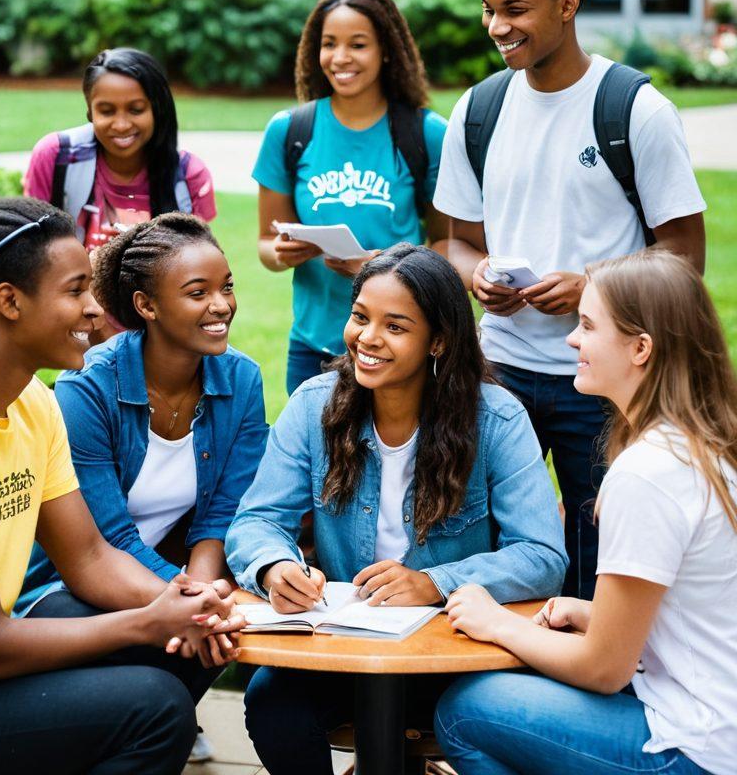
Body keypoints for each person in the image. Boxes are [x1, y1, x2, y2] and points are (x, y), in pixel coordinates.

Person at [0, 197, 242, 775]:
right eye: (75, 290)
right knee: (156, 709)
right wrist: (147, 619)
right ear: (9, 301)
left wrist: (193, 605)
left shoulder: (33, 402)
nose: (95, 310)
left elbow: (87, 558)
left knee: (186, 643)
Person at [433, 0, 706, 596]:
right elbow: (455, 240)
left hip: (604, 384)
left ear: (567, 4)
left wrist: (591, 286)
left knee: (596, 557)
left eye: (516, 9)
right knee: (489, 551)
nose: (498, 27)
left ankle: (586, 684)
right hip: (497, 375)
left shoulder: (634, 109)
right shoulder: (478, 109)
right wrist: (479, 275)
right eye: (490, 9)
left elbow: (683, 254)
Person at [226, 244, 566, 775]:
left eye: (396, 326)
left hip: (455, 655)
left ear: (439, 341)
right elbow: (257, 521)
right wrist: (276, 567)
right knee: (273, 703)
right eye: (360, 317)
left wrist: (435, 582)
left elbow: (542, 555)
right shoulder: (314, 405)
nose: (368, 338)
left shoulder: (497, 419)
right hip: (343, 649)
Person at [435, 250, 737, 775]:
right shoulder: (704, 448)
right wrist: (591, 614)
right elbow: (697, 611)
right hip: (717, 723)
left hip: (694, 748)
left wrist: (497, 623)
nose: (572, 339)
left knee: (466, 710)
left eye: (589, 327)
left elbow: (603, 668)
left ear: (641, 348)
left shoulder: (649, 473)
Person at [18, 212, 268, 760]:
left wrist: (200, 595)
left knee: (203, 643)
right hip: (63, 590)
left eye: (226, 287)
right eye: (197, 292)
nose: (221, 305)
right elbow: (106, 539)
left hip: (161, 584)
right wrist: (196, 602)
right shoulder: (87, 389)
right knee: (195, 643)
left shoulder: (242, 380)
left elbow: (224, 512)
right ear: (146, 306)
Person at [254, 0, 449, 395]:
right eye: (329, 44)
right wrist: (283, 252)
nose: (340, 58)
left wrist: (389, 270)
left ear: (386, 50)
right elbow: (265, 245)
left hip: (399, 349)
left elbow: (447, 247)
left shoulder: (426, 133)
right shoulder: (289, 130)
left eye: (357, 44)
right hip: (313, 349)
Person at [25, 46, 216, 241]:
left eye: (136, 110)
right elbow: (33, 251)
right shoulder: (57, 156)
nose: (122, 125)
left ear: (157, 110)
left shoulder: (189, 175)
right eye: (107, 111)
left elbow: (199, 262)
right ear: (90, 112)